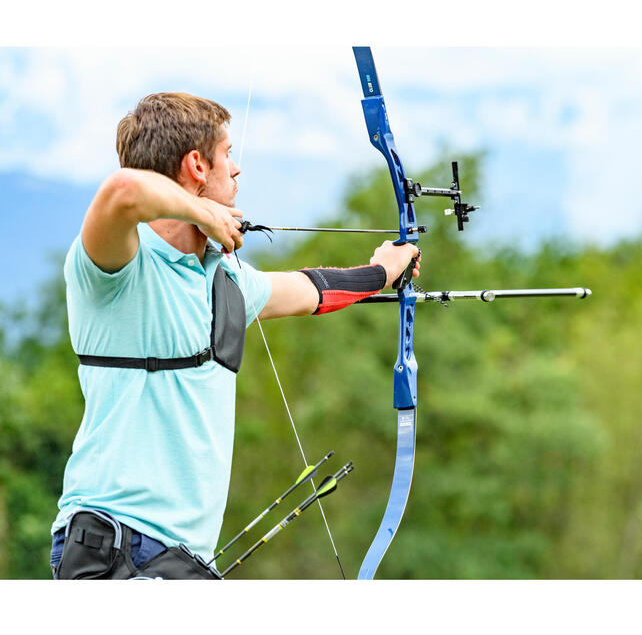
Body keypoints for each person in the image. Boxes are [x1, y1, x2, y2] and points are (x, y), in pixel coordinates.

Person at [50, 92, 419, 580]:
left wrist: (383, 270)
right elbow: (121, 191)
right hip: (115, 545)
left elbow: (311, 291)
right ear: (197, 166)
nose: (238, 170)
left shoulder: (223, 279)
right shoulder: (116, 266)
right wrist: (204, 216)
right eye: (228, 154)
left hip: (178, 560)